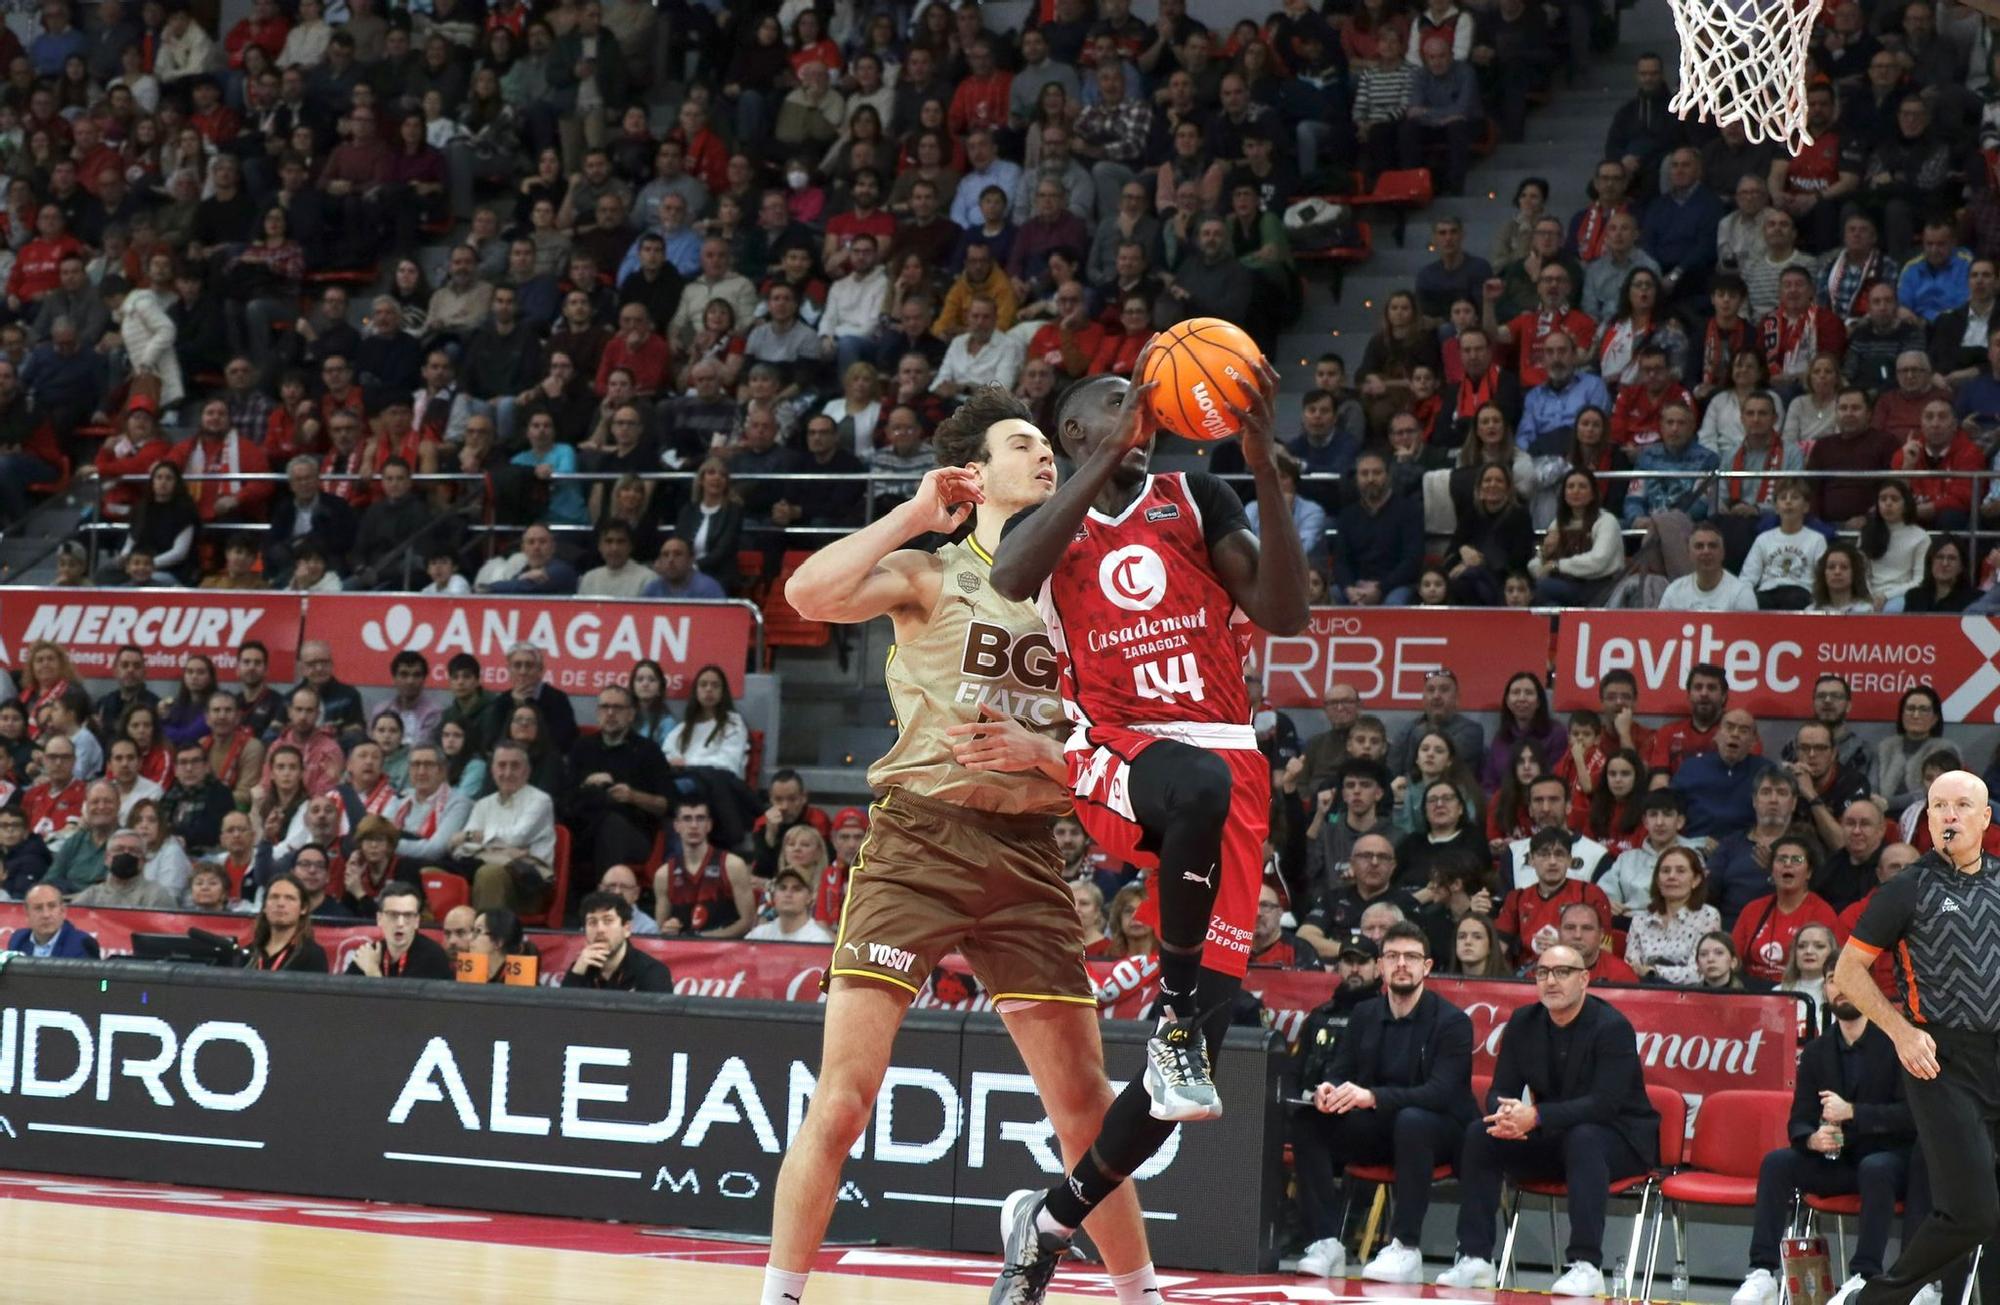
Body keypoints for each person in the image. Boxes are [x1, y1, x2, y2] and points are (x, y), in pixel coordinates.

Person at [771, 387, 1165, 1305]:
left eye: (1048, 448)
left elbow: (1126, 746)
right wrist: (915, 511)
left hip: (1030, 850)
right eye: (1023, 444)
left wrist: (1050, 759)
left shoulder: (1089, 591)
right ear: (976, 473)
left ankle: (1142, 1294)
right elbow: (805, 594)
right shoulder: (932, 572)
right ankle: (779, 1296)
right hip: (919, 843)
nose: (1045, 457)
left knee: (1083, 1105)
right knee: (844, 1100)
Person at [1835, 770, 2000, 1305]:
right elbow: (1848, 972)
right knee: (1970, 1211)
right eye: (1938, 806)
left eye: (1960, 805)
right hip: (1939, 1059)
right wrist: (1901, 1032)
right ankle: (1878, 1298)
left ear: (1984, 818)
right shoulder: (1907, 887)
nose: (1948, 815)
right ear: (1926, 818)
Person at [1436, 943, 1660, 1294]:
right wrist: (1507, 1111)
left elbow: (1605, 1104)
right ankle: (1475, 1257)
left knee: (1584, 1137)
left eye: (1562, 972)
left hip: (1619, 1139)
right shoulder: (1524, 1022)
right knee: (1482, 1132)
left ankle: (1585, 1264)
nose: (1550, 981)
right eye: (1542, 973)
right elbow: (1499, 1088)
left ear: (1584, 979)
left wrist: (1536, 1116)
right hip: (1557, 1136)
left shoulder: (1612, 1027)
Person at [1292, 921, 1479, 1281]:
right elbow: (1341, 1068)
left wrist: (1372, 1095)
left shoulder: (1452, 1021)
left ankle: (1405, 1246)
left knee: (1413, 1119)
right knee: (1309, 1120)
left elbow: (1441, 1092)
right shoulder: (1364, 1014)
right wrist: (1328, 1089)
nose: (1401, 964)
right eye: (1392, 956)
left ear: (1427, 966)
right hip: (1381, 1126)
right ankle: (1325, 1241)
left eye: (1411, 957)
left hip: (1443, 1131)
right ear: (1381, 966)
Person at [1734, 968, 1922, 1305]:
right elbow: (1799, 1120)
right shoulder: (1818, 1051)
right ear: (1824, 989)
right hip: (1840, 1160)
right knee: (1777, 1163)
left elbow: (1911, 1117)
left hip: (1891, 1160)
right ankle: (1761, 1272)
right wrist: (1812, 1138)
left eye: (1850, 978)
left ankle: (1865, 1275)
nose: (1842, 987)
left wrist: (1853, 1112)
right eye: (1834, 979)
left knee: (1876, 1168)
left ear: (1870, 988)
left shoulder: (1896, 1043)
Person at [449, 740, 557, 913]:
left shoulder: (540, 801)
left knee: (489, 873)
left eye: (515, 766)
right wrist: (502, 850)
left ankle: (488, 937)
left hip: (527, 883)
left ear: (527, 771)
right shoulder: (483, 804)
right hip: (485, 871)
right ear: (492, 770)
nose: (507, 772)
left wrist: (475, 839)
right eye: (501, 765)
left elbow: (516, 837)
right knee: (432, 871)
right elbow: (462, 850)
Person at [1734, 834, 1844, 986]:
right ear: (1772, 870)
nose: (1788, 864)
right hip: (1751, 991)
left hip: (1798, 991)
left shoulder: (1822, 913)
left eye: (1796, 860)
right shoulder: (1752, 909)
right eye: (1781, 859)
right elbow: (1733, 958)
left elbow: (1832, 965)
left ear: (1809, 872)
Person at [1625, 846, 1722, 985]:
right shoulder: (1640, 920)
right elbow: (1630, 969)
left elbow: (1700, 971)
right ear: (1658, 881)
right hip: (1645, 995)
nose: (1671, 876)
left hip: (1690, 997)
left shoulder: (1708, 916)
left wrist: (1653, 971)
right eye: (1665, 871)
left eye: (1680, 871)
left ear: (1696, 880)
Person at [563, 890, 674, 991]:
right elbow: (562, 1011)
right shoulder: (580, 968)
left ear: (626, 929)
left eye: (608, 921)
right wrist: (577, 973)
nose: (600, 929)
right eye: (592, 922)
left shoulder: (652, 972)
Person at [343, 882, 452, 978]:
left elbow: (404, 1001)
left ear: (416, 921)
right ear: (380, 919)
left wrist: (373, 973)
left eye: (408, 915)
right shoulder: (370, 953)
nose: (400, 923)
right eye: (393, 915)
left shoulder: (432, 957)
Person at [72, 827, 176, 908]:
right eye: (119, 849)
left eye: (133, 851)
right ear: (107, 858)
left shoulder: (157, 896)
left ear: (143, 860)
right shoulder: (91, 896)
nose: (126, 854)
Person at [246, 873, 328, 972]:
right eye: (274, 897)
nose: (280, 904)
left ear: (303, 908)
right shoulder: (249, 953)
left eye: (289, 898)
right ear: (264, 907)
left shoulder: (313, 955)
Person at [746, 866, 836, 943]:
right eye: (782, 888)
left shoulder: (818, 940)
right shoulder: (759, 936)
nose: (788, 894)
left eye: (797, 889)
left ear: (809, 897)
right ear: (773, 895)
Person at [7, 883, 99, 958]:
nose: (46, 915)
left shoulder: (82, 944)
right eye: (38, 908)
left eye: (52, 906)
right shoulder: (18, 939)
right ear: (27, 915)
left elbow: (102, 980)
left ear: (63, 911)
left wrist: (103, 981)